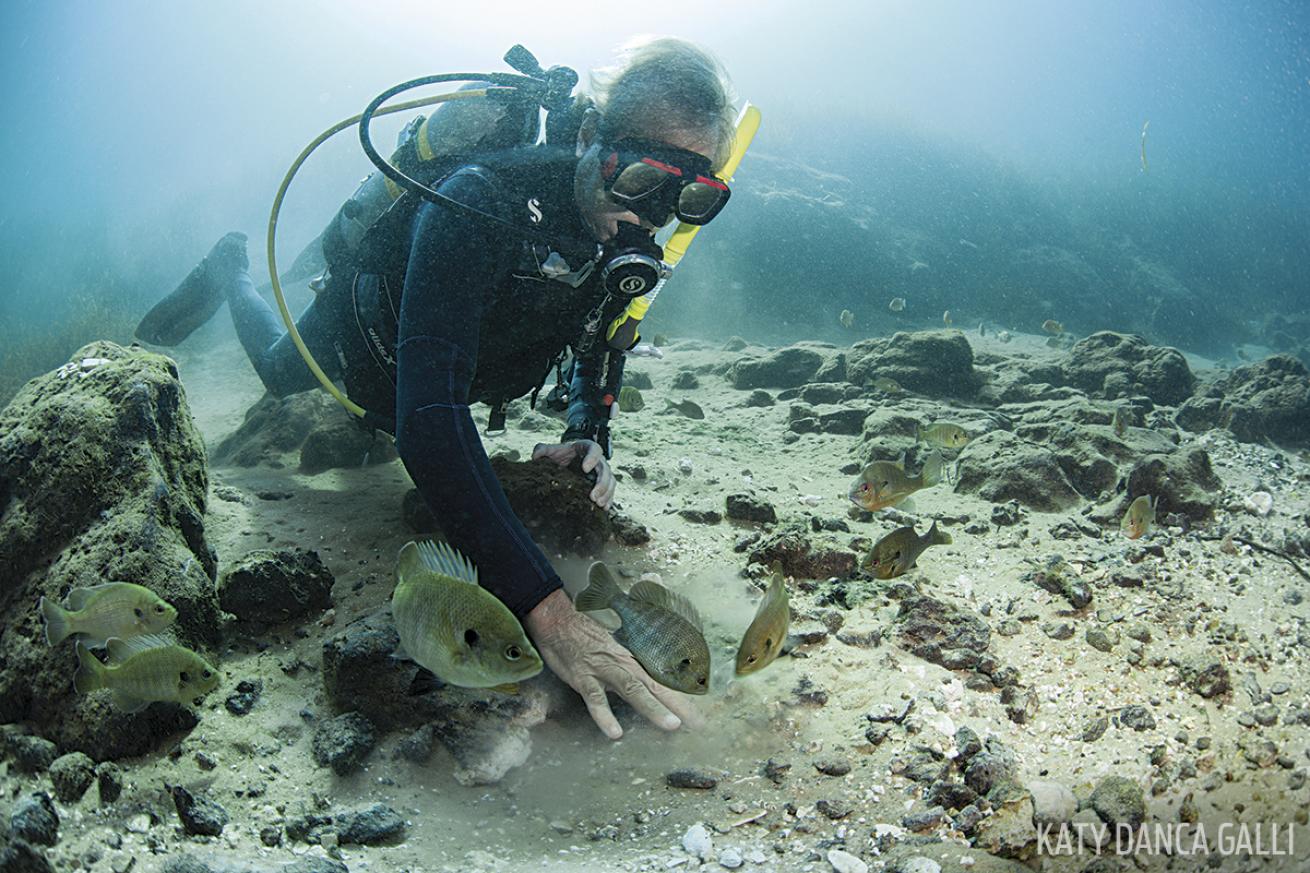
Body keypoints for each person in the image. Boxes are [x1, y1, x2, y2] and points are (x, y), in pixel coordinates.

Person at [135, 37, 738, 740]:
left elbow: (605, 343)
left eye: (691, 197)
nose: (651, 215)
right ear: (585, 137)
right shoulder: (478, 202)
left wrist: (588, 433)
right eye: (637, 179)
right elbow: (427, 418)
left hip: (459, 366)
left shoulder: (619, 243)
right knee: (279, 369)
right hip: (373, 347)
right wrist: (550, 610)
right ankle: (231, 270)